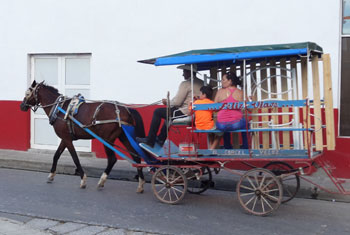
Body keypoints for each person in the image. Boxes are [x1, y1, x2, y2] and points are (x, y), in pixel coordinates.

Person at [137, 65, 204, 147]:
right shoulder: (202, 83)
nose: (183, 75)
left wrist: (167, 102)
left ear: (188, 72)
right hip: (196, 112)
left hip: (186, 111)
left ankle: (150, 140)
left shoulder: (186, 83)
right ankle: (161, 138)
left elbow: (177, 102)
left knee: (157, 112)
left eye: (184, 72)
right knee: (169, 112)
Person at [211, 73, 248, 149]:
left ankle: (227, 146)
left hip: (221, 125)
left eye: (223, 80)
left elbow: (214, 108)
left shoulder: (220, 92)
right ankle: (245, 146)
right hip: (237, 124)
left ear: (230, 81)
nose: (221, 81)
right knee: (246, 124)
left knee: (224, 125)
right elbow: (250, 108)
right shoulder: (241, 92)